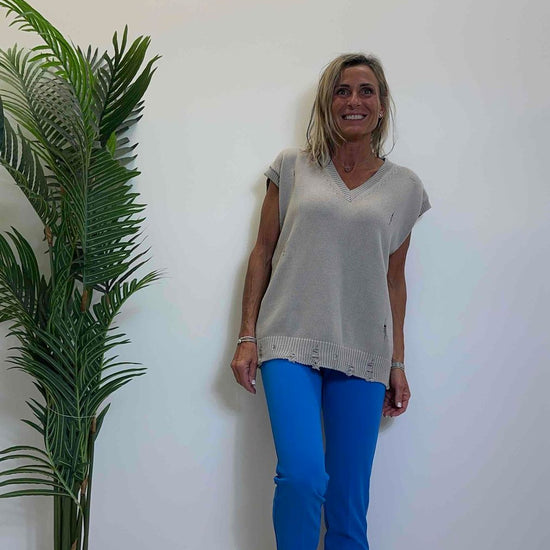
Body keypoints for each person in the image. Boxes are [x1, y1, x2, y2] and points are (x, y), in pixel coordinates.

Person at [231, 53, 432, 550]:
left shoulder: (404, 187)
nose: (354, 101)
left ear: (381, 105)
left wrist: (397, 363)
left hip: (363, 348)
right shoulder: (292, 167)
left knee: (348, 502)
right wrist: (246, 335)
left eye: (366, 91)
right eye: (342, 91)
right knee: (302, 478)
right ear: (327, 103)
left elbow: (394, 280)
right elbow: (262, 252)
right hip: (288, 339)